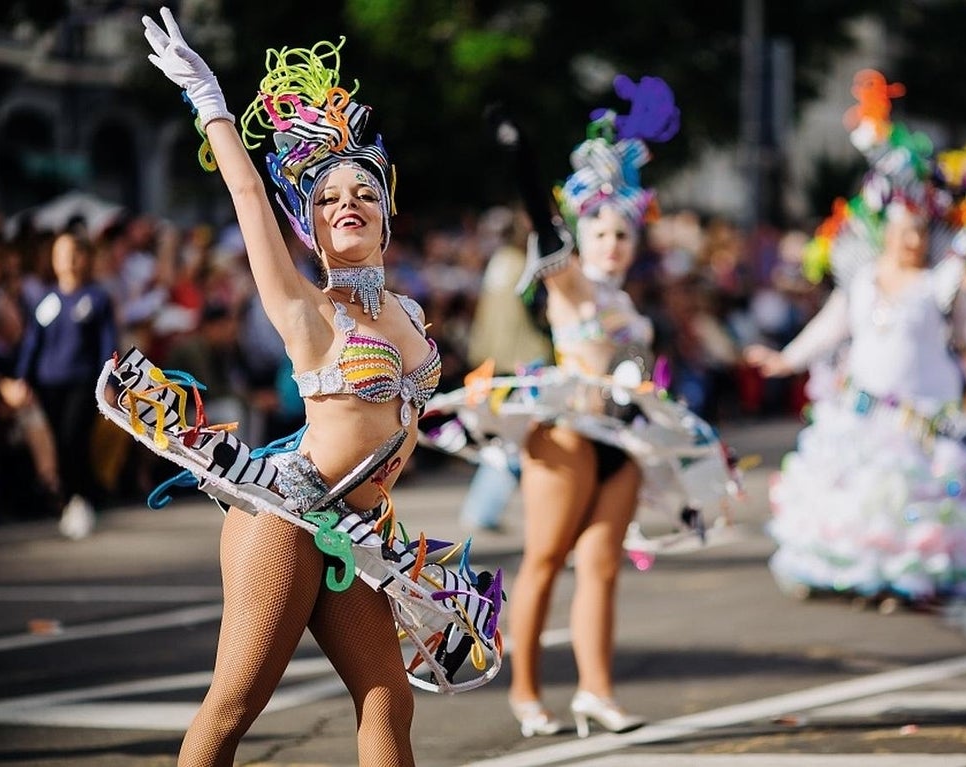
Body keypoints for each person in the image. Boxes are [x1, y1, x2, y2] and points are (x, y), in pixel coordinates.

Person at [116, 10, 501, 765]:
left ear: (387, 213)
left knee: (387, 698)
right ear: (309, 224)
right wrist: (211, 104)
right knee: (234, 701)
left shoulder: (409, 310)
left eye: (361, 192)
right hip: (289, 516)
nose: (345, 204)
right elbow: (248, 198)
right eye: (326, 199)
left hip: (359, 530)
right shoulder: (306, 310)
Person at [501, 74, 683, 739]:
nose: (611, 243)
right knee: (544, 560)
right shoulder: (571, 286)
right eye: (600, 232)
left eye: (623, 235)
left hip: (622, 443)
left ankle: (596, 691)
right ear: (583, 232)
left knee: (602, 567)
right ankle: (525, 692)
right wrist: (521, 160)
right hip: (568, 434)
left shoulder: (630, 304)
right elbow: (546, 235)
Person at [746, 199, 966, 604]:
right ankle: (859, 576)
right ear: (886, 233)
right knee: (867, 500)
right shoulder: (862, 280)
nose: (913, 240)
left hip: (924, 417)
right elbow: (827, 330)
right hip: (866, 412)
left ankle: (910, 581)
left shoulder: (939, 283)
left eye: (920, 231)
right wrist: (783, 360)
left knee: (913, 502)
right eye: (904, 230)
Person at [15, 232, 118, 538]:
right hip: (49, 383)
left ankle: (81, 498)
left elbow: (107, 343)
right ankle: (67, 499)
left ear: (85, 257)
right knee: (57, 442)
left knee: (75, 438)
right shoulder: (48, 300)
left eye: (74, 253)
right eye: (61, 254)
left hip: (81, 382)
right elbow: (33, 343)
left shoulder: (97, 298)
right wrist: (23, 377)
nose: (68, 261)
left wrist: (110, 381)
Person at [457, 206, 553, 532]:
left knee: (507, 436)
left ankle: (483, 508)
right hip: (527, 360)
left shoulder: (499, 263)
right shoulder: (526, 267)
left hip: (496, 358)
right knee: (523, 438)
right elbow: (542, 312)